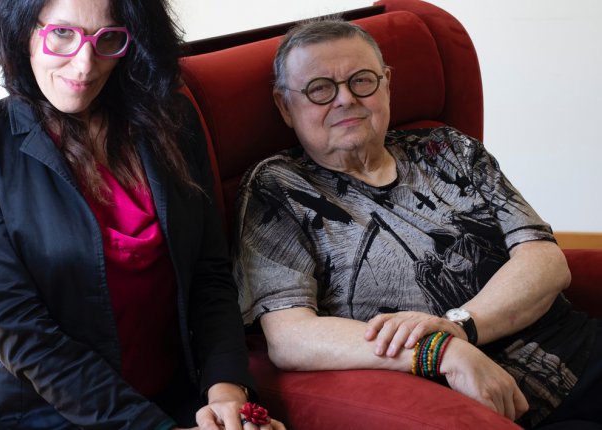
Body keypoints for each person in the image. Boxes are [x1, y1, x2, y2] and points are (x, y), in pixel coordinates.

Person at [233, 19, 602, 429]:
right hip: (494, 406)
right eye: (320, 89)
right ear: (285, 106)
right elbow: (290, 337)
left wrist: (460, 327)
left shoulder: (449, 148)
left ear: (387, 85)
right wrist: (438, 351)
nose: (345, 99)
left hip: (585, 353)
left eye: (362, 81)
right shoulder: (279, 188)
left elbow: (545, 259)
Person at [0, 0, 285, 428]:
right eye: (62, 33)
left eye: (109, 38)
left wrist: (226, 387)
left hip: (177, 399)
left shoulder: (171, 121)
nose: (85, 64)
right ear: (21, 30)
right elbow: (22, 332)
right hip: (52, 416)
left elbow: (209, 273)